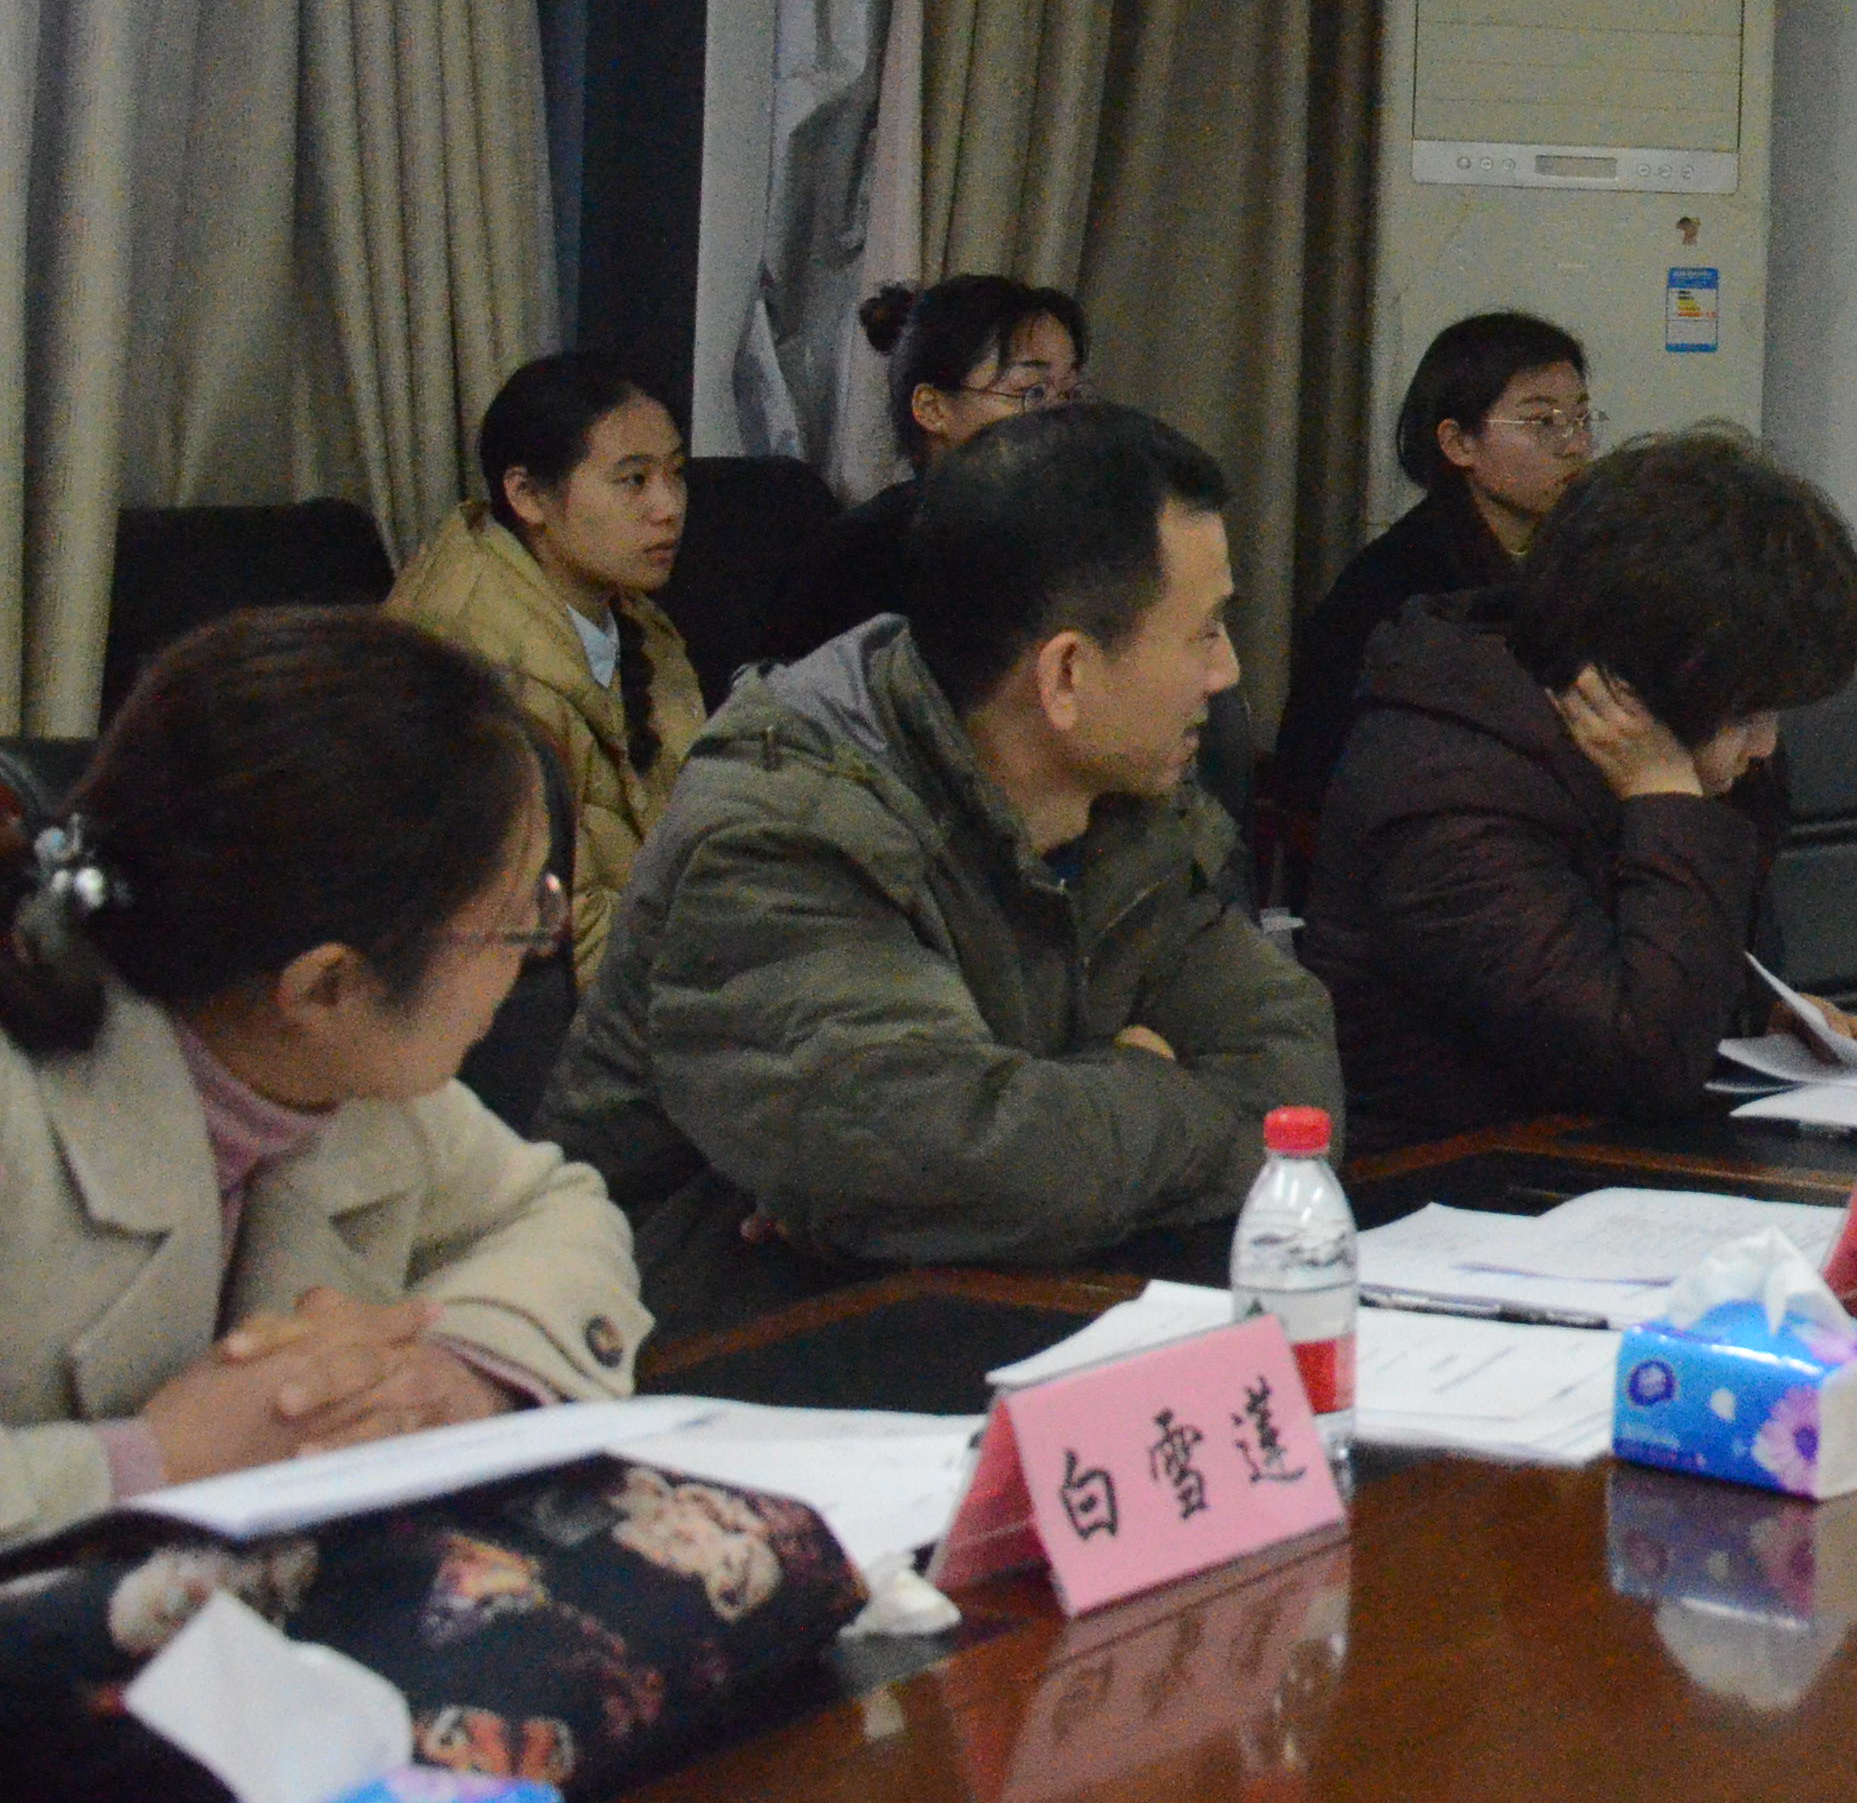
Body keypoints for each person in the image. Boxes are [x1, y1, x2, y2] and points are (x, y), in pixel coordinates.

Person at [549, 404, 1337, 1336]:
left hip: (990, 1307)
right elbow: (955, 1167)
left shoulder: (1124, 796)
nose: (1226, 672)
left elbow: (1294, 1077)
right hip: (716, 1348)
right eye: (1203, 632)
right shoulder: (785, 827)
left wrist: (1049, 1136)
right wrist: (1146, 1075)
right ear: (1066, 676)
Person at [2, 611, 646, 1552]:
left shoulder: (334, 1076)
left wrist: (457, 1372)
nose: (535, 951)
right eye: (517, 921)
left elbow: (554, 1210)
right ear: (326, 984)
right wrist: (146, 1463)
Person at [1301, 428, 1857, 1155]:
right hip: (1445, 1181)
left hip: (1605, 1164)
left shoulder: (1649, 742)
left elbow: (1654, 973)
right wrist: (1666, 799)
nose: (1764, 747)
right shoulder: (1445, 779)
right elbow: (1639, 1062)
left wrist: (1758, 1016)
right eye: (1746, 714)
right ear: (1643, 675)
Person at [387, 354, 704, 977]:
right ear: (527, 495)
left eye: (676, 474)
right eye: (633, 480)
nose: (669, 507)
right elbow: (558, 933)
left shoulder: (627, 613)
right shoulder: (475, 661)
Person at [1267, 314, 1594, 837]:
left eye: (1581, 417)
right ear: (1458, 443)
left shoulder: (1574, 558)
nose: (1576, 444)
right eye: (1542, 422)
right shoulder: (1398, 588)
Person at [754, 276, 1087, 665]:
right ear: (932, 408)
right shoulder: (861, 558)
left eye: (1069, 393)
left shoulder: (1078, 539)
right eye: (1032, 392)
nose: (1063, 417)